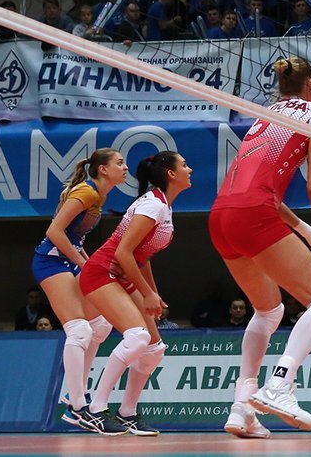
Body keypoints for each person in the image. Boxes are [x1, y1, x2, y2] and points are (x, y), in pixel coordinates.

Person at [209, 56, 311, 435]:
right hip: (254, 215)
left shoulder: (264, 116)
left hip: (221, 215)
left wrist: (304, 229)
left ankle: (242, 407)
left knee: (268, 311)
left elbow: (260, 189)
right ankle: (279, 385)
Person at [79, 151, 193, 436]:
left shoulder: (162, 205)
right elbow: (123, 253)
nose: (189, 169)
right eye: (184, 165)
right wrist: (146, 293)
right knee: (137, 337)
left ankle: (127, 413)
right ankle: (96, 410)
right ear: (171, 174)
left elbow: (142, 256)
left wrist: (152, 293)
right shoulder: (153, 206)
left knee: (154, 349)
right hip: (102, 272)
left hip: (123, 275)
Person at [31, 148, 127, 430]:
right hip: (50, 261)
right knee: (80, 330)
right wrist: (83, 264)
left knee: (100, 325)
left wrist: (89, 264)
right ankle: (77, 407)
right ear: (103, 169)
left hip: (68, 260)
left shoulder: (99, 195)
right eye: (120, 163)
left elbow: (75, 239)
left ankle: (76, 394)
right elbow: (54, 232)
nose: (125, 167)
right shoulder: (86, 192)